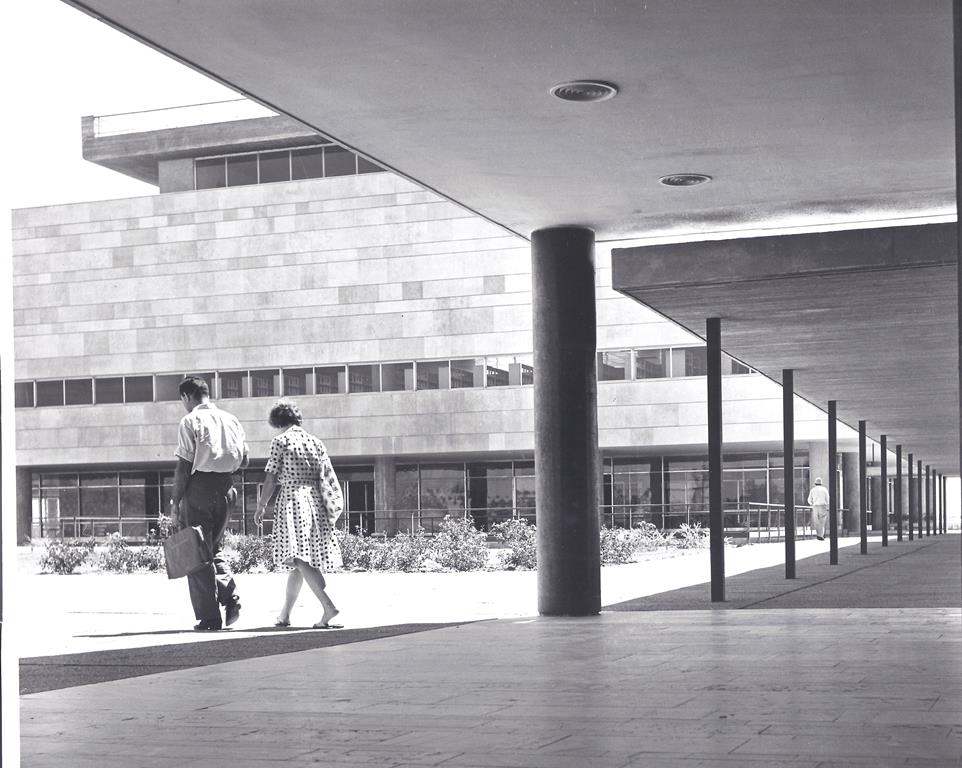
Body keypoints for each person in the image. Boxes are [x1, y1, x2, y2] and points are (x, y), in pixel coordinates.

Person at [254, 399, 344, 629]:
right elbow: (327, 477)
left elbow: (271, 477)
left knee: (299, 558)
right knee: (298, 560)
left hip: (293, 498)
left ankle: (327, 606)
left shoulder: (280, 442)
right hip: (315, 501)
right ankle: (284, 615)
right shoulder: (315, 442)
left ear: (276, 421)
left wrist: (262, 505)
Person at [170, 376, 249, 631]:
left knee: (196, 552)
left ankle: (209, 617)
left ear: (186, 397)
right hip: (227, 488)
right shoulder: (232, 419)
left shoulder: (189, 420)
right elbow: (245, 460)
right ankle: (230, 596)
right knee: (213, 547)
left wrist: (175, 501)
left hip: (199, 488)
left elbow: (183, 466)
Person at [807, 476, 830, 541]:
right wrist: (827, 504)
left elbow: (809, 499)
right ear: (821, 483)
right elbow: (827, 499)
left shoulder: (813, 490)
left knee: (816, 521)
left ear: (815, 483)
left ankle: (818, 535)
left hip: (815, 506)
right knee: (822, 521)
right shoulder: (824, 489)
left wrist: (812, 504)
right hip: (823, 506)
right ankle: (821, 535)